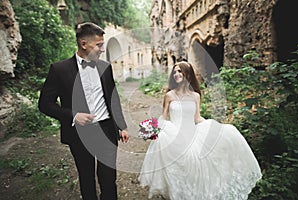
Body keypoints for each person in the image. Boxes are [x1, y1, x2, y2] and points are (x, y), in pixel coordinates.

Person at [138, 61, 262, 200]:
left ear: (188, 75)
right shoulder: (169, 95)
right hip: (174, 133)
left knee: (198, 164)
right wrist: (153, 128)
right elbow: (163, 116)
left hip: (191, 133)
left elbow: (197, 118)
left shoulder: (195, 96)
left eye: (180, 71)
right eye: (175, 72)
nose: (177, 74)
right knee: (175, 164)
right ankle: (176, 194)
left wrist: (217, 127)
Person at [38, 22, 129, 200]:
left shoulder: (105, 67)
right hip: (79, 134)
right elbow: (45, 104)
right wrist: (73, 116)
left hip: (106, 130)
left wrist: (121, 126)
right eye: (99, 45)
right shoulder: (59, 69)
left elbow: (113, 98)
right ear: (83, 44)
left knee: (109, 179)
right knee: (86, 178)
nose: (102, 49)